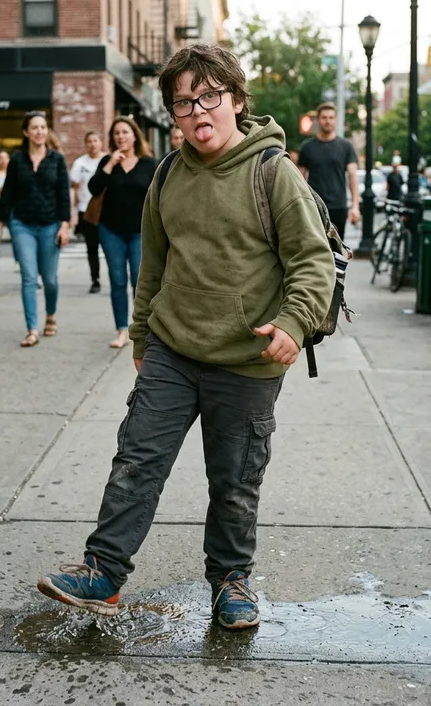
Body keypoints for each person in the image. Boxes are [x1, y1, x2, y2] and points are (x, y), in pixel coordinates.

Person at [37, 43, 334, 631]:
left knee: (235, 479)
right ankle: (104, 571)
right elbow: (154, 264)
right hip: (173, 349)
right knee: (136, 459)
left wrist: (295, 323)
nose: (198, 111)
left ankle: (230, 579)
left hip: (248, 359)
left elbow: (312, 261)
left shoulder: (271, 172)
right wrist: (143, 339)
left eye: (209, 96)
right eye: (182, 103)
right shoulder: (168, 173)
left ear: (237, 99)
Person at [0, 111, 71, 347]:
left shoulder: (57, 159)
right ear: (26, 132)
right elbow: (7, 196)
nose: (39, 132)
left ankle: (51, 315)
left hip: (50, 224)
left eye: (43, 127)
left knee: (50, 280)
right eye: (34, 128)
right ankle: (32, 330)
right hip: (22, 224)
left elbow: (64, 195)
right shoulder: (16, 160)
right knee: (28, 278)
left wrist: (64, 226)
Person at [87, 117, 156, 349]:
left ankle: (141, 330)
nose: (121, 137)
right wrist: (109, 165)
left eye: (125, 132)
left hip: (140, 232)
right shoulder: (107, 161)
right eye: (116, 133)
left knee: (139, 281)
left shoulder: (149, 164)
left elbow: (159, 197)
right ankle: (121, 330)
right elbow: (93, 188)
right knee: (117, 280)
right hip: (111, 231)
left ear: (134, 135)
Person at [297, 103, 359, 241]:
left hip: (338, 206)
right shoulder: (307, 147)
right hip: (314, 207)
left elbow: (353, 176)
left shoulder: (346, 146)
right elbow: (299, 179)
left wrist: (355, 206)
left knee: (337, 253)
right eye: (324, 117)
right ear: (318, 120)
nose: (328, 121)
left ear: (336, 119)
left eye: (331, 117)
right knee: (315, 249)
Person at [69, 131, 105, 293]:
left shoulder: (108, 161)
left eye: (95, 141)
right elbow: (75, 190)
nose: (92, 144)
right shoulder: (79, 164)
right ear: (86, 144)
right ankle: (95, 279)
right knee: (92, 247)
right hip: (86, 211)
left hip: (106, 211)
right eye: (89, 141)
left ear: (101, 142)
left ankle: (115, 278)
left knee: (110, 247)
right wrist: (74, 213)